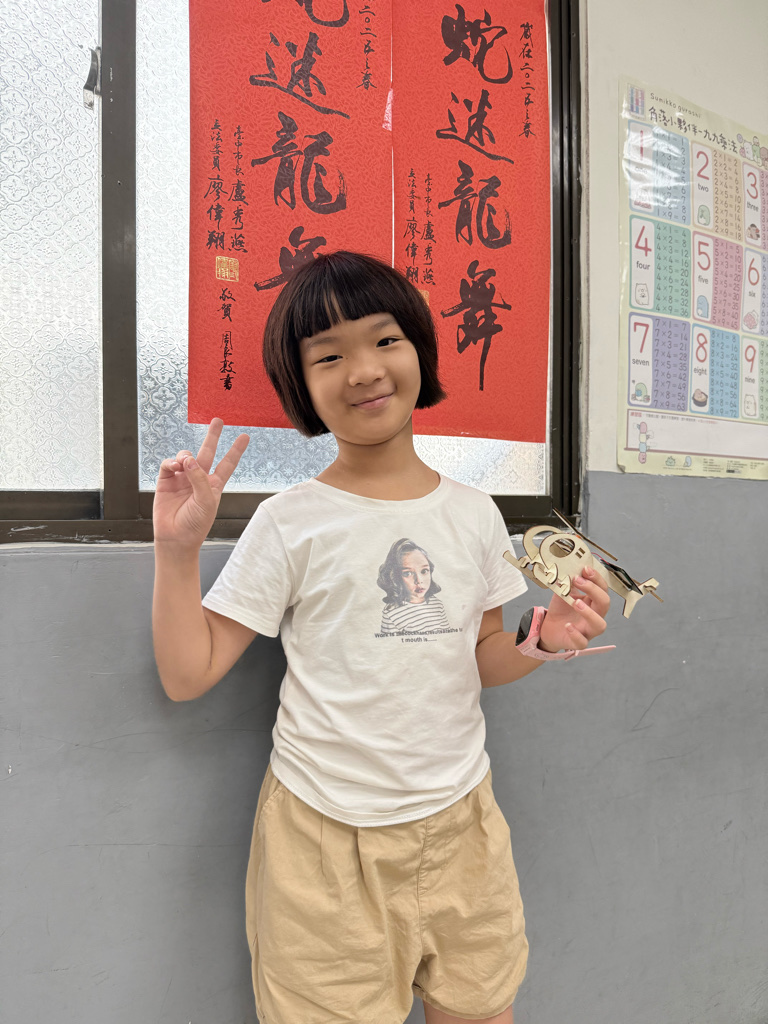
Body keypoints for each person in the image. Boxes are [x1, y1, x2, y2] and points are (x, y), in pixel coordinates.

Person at [152, 250, 611, 1024]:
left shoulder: (473, 514)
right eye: (328, 356)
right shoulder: (290, 521)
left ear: (418, 350)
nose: (364, 370)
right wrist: (177, 552)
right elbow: (186, 673)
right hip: (323, 842)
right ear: (302, 386)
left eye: (384, 340)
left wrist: (545, 636)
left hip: (463, 825)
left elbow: (480, 657)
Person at [377, 537, 451, 634]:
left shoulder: (437, 605)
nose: (419, 581)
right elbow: (387, 642)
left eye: (424, 571)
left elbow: (447, 636)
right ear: (395, 577)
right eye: (407, 573)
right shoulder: (391, 613)